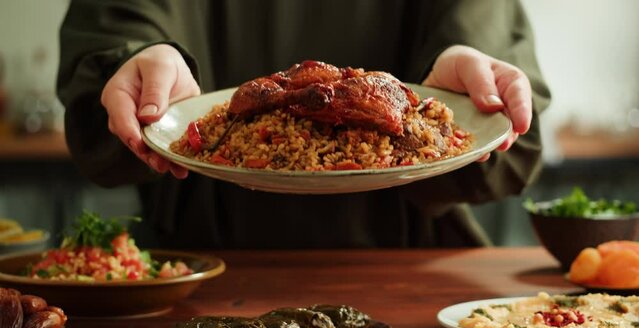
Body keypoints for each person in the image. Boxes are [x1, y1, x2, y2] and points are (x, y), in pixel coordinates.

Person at [57, 0, 550, 249]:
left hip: (409, 263)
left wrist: (462, 79)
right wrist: (141, 59)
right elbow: (123, 21)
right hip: (202, 263)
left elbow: (511, 140)